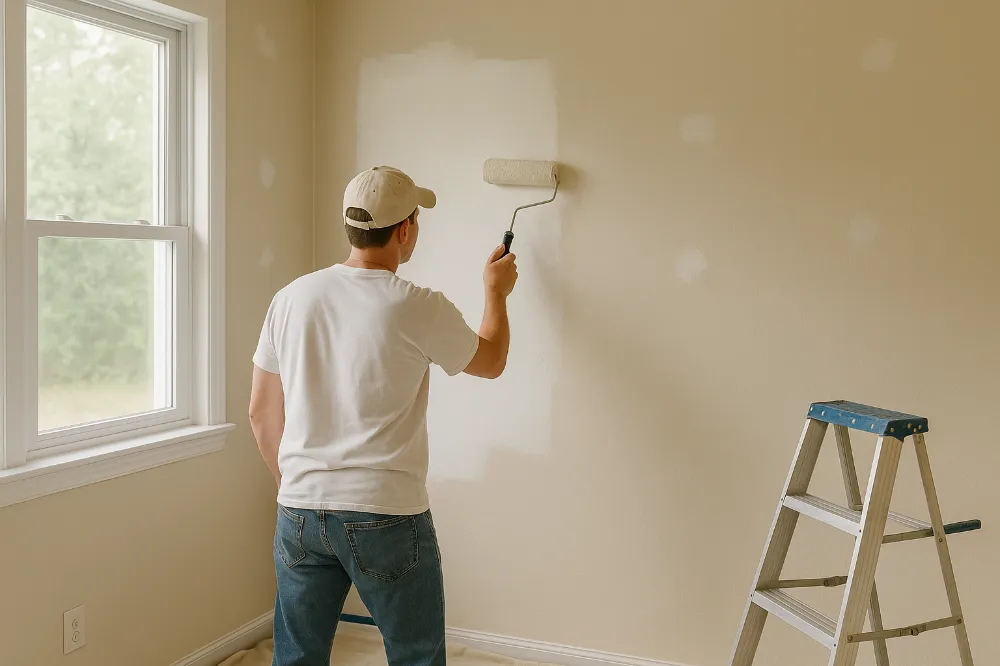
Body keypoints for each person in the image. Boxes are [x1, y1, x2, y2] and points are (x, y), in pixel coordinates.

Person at [248, 166, 518, 666]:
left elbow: (261, 411)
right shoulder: (418, 307)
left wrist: (297, 486)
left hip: (300, 509)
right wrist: (496, 294)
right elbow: (491, 360)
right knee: (416, 656)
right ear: (405, 230)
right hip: (386, 514)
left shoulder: (289, 299)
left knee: (297, 658)